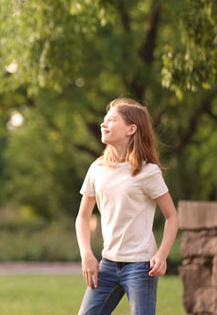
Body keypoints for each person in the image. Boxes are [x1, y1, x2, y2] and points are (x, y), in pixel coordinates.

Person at [75, 98, 179, 315]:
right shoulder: (97, 168)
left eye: (111, 120)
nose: (103, 124)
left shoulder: (148, 172)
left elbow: (172, 216)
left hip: (141, 267)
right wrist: (86, 254)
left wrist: (161, 254)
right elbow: (83, 216)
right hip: (107, 264)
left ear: (131, 129)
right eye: (104, 120)